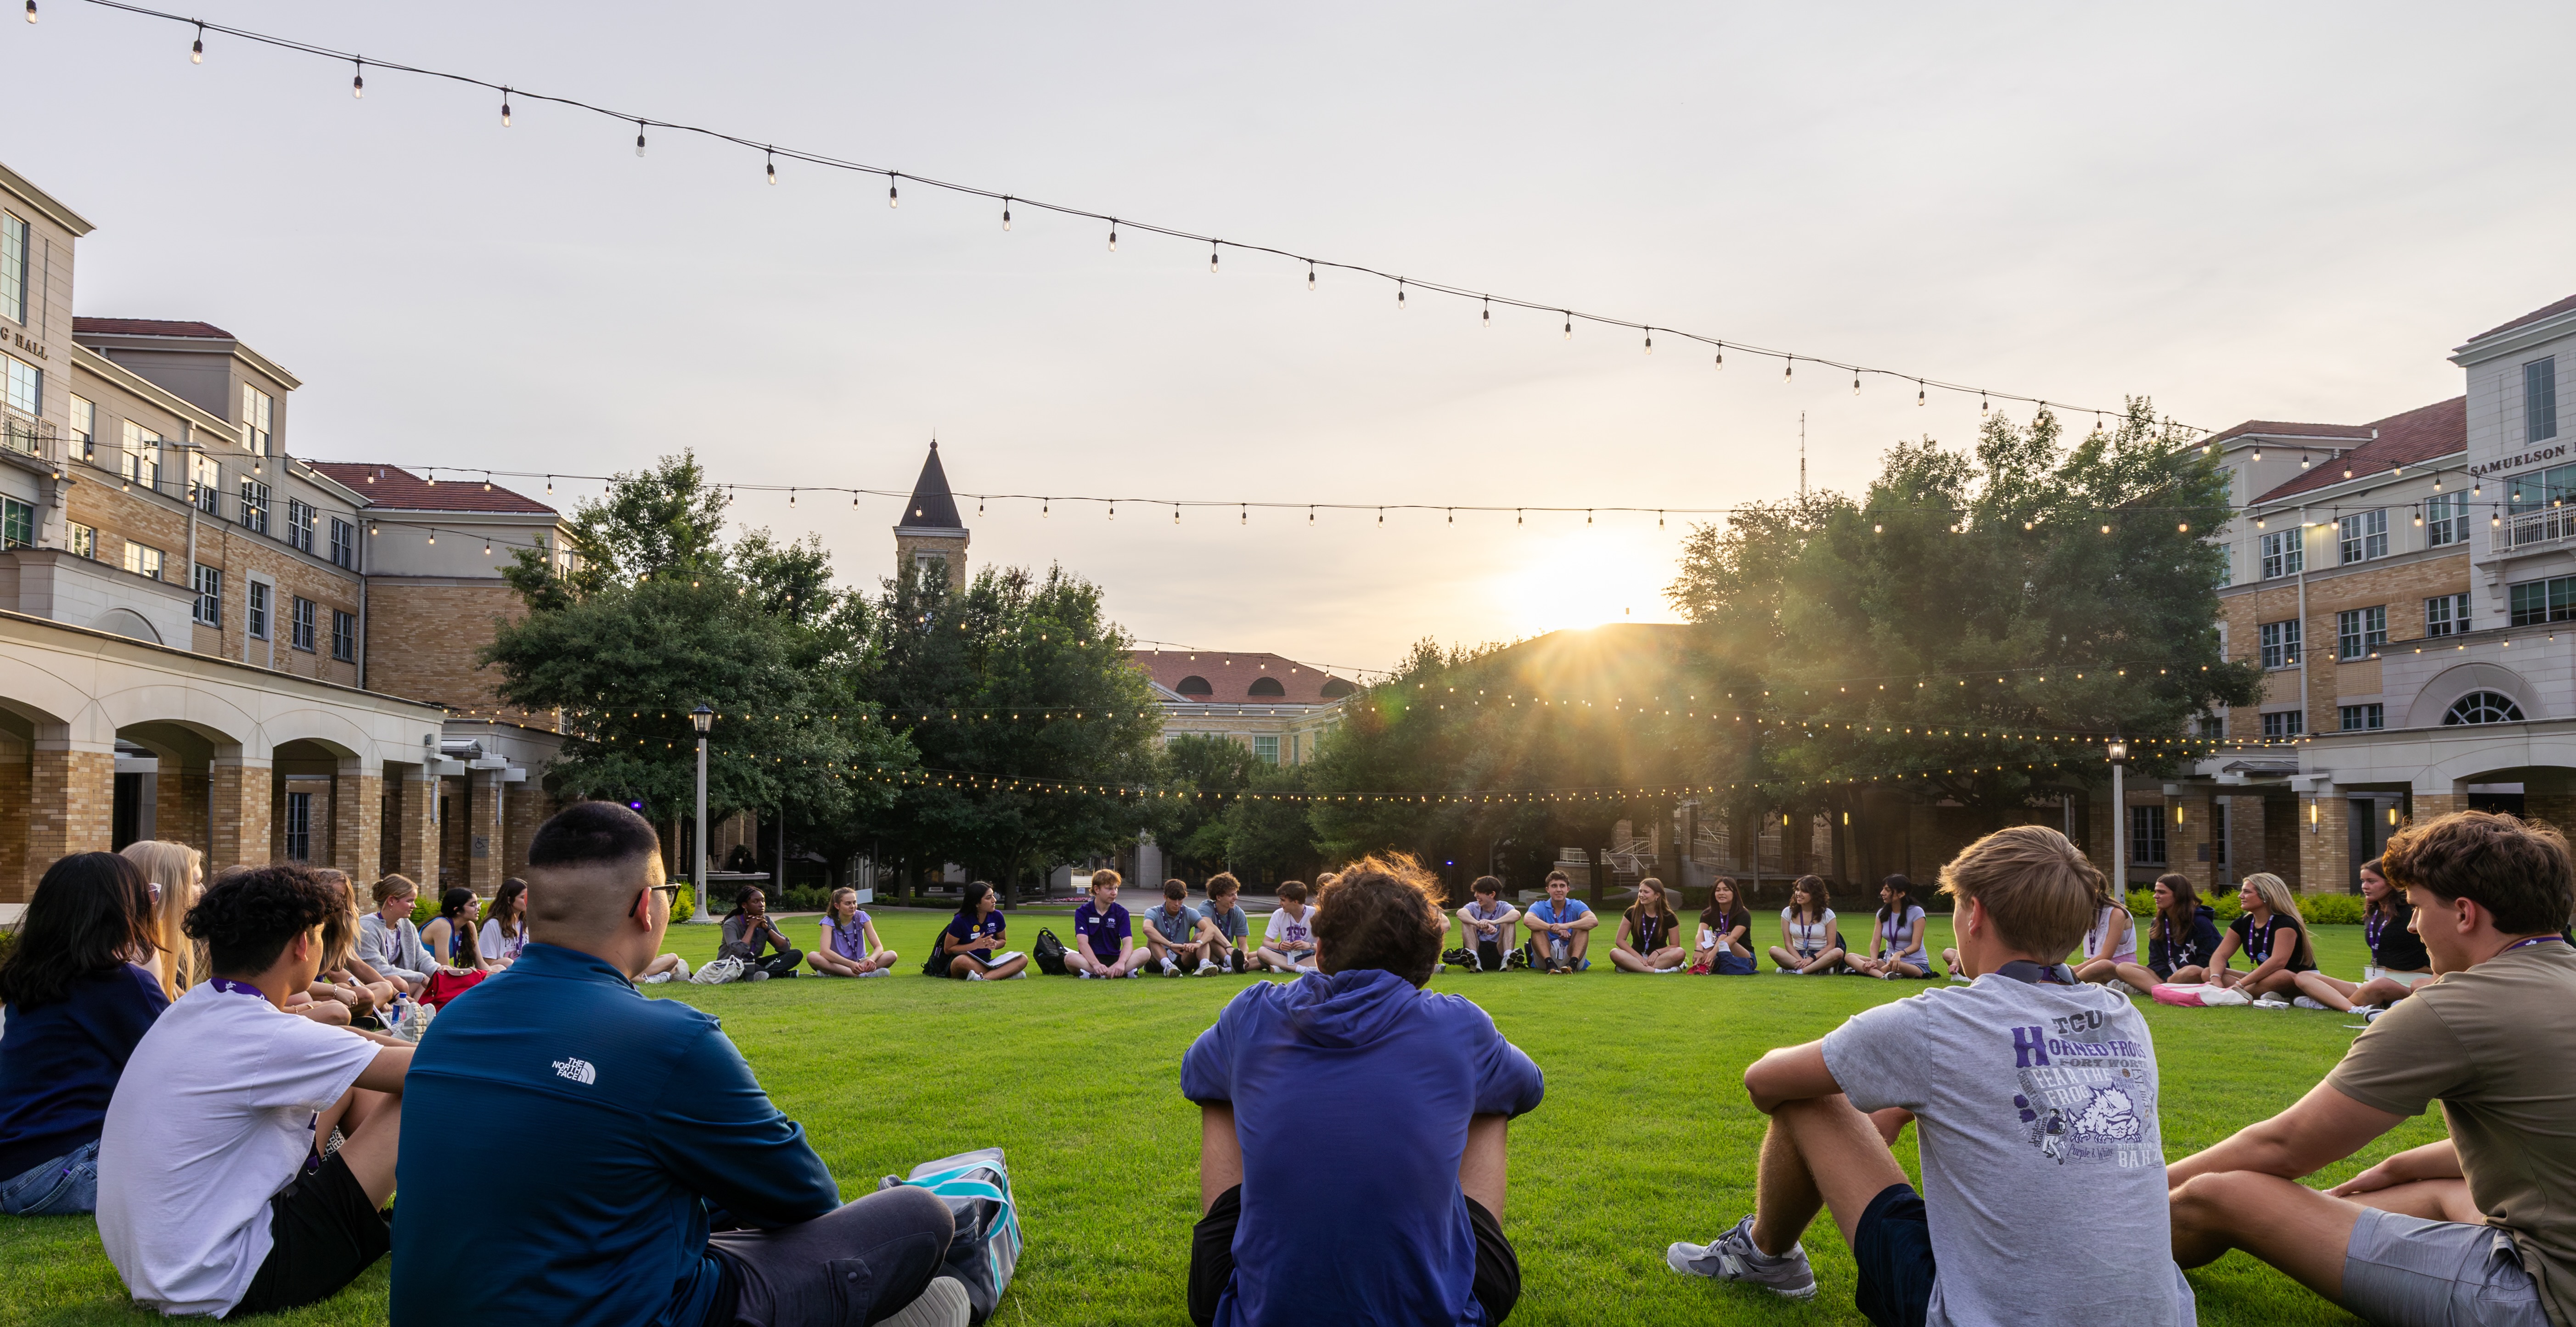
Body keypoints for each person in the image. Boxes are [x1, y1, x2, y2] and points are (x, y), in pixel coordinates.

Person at [389, 800, 969, 1327]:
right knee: (917, 1216)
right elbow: (806, 1199)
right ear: (647, 905)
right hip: (640, 1309)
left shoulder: (454, 1023)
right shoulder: (667, 1039)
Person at [1664, 825, 2193, 1327]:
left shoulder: (1939, 1022)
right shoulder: (2124, 1017)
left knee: (1812, 1095)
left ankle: (1764, 1254)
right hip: (2156, 1314)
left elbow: (1764, 1080)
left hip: (1982, 1316)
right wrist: (1902, 1101)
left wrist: (1880, 1101)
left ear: (1975, 915)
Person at [2165, 810, 2576, 1327]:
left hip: (2546, 1297)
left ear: (2465, 914)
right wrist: (2394, 1166)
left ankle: (2112, 1243)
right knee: (2432, 1191)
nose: (2412, 924)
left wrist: (2139, 1190)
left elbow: (2282, 1145)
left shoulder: (2454, 1008)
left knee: (2219, 1190)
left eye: (2418, 907)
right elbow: (2544, 1131)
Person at [1183, 855, 1545, 1326]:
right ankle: (1439, 1266)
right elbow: (1528, 1086)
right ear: (1429, 960)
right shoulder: (1460, 1024)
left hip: (1255, 1315)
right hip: (1439, 1315)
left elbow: (1196, 1075)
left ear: (1322, 949)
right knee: (1493, 1095)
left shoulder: (1253, 1010)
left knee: (1220, 1086)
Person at [97, 863, 413, 1317]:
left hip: (162, 1267)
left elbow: (341, 1046)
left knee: (356, 1084)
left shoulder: (199, 1008)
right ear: (303, 944)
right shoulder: (267, 1037)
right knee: (418, 1093)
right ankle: (441, 1219)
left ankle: (413, 1215)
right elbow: (431, 1068)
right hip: (226, 1278)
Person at [0, 853, 169, 1216]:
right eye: (148, 897)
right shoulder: (119, 983)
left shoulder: (33, 979)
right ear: (124, 912)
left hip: (14, 1170)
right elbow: (184, 1068)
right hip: (64, 1169)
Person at [2290, 858, 2434, 1015]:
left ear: (2392, 882)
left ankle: (2331, 1003)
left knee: (2379, 985)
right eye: (2363, 881)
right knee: (2304, 977)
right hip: (2372, 981)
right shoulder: (2374, 912)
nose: (2365, 887)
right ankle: (2353, 1007)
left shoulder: (2412, 911)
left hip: (2409, 982)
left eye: (2372, 881)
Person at [2177, 873, 2315, 1004]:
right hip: (2264, 978)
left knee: (2282, 976)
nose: (2240, 896)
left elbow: (2278, 962)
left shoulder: (2285, 923)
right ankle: (2260, 995)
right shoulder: (2244, 922)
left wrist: (2240, 984)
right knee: (2209, 972)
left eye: (2247, 892)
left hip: (2298, 979)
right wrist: (2216, 979)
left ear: (2266, 895)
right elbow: (2220, 955)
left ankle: (2232, 995)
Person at [2108, 874, 2221, 996]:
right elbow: (2156, 962)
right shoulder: (2159, 922)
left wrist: (2176, 978)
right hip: (2167, 978)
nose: (2155, 896)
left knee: (2192, 971)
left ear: (2178, 895)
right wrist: (2169, 978)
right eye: (2155, 892)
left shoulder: (2201, 922)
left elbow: (2210, 961)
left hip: (2195, 977)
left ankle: (2157, 990)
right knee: (2123, 967)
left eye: (2161, 892)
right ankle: (2165, 992)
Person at [121, 840, 203, 1000]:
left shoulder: (134, 944)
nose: (203, 890)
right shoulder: (141, 953)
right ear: (167, 888)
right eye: (197, 882)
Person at [358, 875, 432, 998]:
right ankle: (410, 1012)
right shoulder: (367, 927)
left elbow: (421, 958)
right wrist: (421, 977)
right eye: (409, 901)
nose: (414, 906)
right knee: (400, 982)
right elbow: (377, 969)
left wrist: (440, 971)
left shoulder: (406, 925)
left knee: (431, 980)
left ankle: (419, 1012)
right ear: (391, 901)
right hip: (371, 986)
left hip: (401, 984)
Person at [1846, 875, 1933, 980]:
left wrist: (1898, 955)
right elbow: (1876, 941)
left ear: (1901, 894)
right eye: (1883, 889)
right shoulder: (1882, 914)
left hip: (1915, 964)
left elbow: (1916, 945)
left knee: (1896, 965)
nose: (1882, 893)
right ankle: (1884, 976)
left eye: (1887, 890)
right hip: (1887, 961)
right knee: (1850, 957)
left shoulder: (1917, 912)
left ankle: (1870, 972)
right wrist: (1873, 961)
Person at [1068, 870, 1147, 978]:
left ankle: (1099, 975)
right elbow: (1082, 943)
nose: (1114, 893)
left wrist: (1121, 963)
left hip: (1115, 959)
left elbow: (1128, 943)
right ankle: (1117, 974)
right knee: (1070, 958)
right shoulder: (1083, 912)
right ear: (1097, 889)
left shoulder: (1122, 913)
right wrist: (1096, 964)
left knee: (1145, 952)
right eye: (1109, 889)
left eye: (1116, 888)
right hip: (1090, 960)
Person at [942, 882, 1029, 980]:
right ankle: (1002, 975)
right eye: (989, 898)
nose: (994, 900)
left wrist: (995, 944)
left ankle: (983, 978)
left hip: (988, 963)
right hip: (968, 962)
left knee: (1022, 959)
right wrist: (974, 945)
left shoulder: (997, 916)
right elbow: (948, 949)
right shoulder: (961, 920)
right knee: (960, 961)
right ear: (976, 903)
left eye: (993, 896)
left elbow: (1003, 941)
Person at [720, 886, 804, 981]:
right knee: (754, 968)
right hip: (733, 964)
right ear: (744, 905)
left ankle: (766, 974)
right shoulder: (731, 924)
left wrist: (767, 928)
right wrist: (752, 927)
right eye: (756, 902)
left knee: (796, 954)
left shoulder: (766, 920)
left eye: (763, 901)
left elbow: (785, 948)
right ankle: (777, 974)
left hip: (755, 962)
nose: (762, 905)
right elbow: (740, 951)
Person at [1521, 871, 1598, 974]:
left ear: (1568, 889)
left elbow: (1593, 921)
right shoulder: (1540, 906)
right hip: (1547, 956)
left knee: (1582, 928)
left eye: (1562, 886)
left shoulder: (1576, 905)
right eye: (1554, 886)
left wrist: (1566, 926)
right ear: (1548, 890)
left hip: (1571, 953)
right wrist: (1553, 928)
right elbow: (1528, 920)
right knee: (1537, 928)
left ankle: (1572, 966)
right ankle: (1550, 965)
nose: (1558, 890)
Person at [809, 887, 898, 977]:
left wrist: (871, 959)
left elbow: (878, 947)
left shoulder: (862, 916)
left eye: (854, 902)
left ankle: (836, 973)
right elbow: (825, 952)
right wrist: (850, 964)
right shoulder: (828, 921)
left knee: (892, 955)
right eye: (848, 904)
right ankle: (860, 975)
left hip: (860, 962)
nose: (853, 906)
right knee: (812, 957)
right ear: (837, 906)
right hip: (836, 962)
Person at [1143, 879, 1224, 976]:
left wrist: (1198, 944)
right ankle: (1168, 966)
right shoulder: (1153, 912)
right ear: (1165, 897)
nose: (1177, 904)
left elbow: (1210, 930)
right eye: (1173, 899)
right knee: (1152, 937)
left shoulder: (1190, 912)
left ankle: (1204, 965)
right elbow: (1147, 928)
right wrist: (1170, 945)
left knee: (1201, 935)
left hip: (1182, 957)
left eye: (1180, 899)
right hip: (1158, 960)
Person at [1611, 877, 1689, 973]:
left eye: (1646, 892)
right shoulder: (1632, 912)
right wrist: (1638, 957)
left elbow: (1675, 945)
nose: (1641, 895)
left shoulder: (1669, 916)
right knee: (1615, 953)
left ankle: (1632, 968)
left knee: (1680, 953)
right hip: (1636, 956)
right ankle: (1658, 971)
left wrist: (1657, 952)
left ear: (1657, 895)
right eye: (1640, 891)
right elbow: (1620, 940)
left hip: (1659, 958)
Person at [1770, 876, 1845, 975]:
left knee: (1838, 952)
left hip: (1820, 956)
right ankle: (1816, 970)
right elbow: (1788, 943)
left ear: (1815, 894)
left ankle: (1799, 972)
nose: (1798, 894)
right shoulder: (1788, 912)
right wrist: (1801, 961)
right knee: (1774, 950)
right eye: (1797, 890)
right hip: (1797, 955)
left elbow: (1831, 945)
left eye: (1804, 891)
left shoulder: (1828, 914)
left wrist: (1812, 958)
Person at [2070, 883, 2138, 988]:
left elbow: (2106, 956)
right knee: (2058, 966)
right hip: (2095, 967)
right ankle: (2066, 979)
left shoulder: (2117, 913)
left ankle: (2064, 981)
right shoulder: (2090, 913)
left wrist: (2071, 971)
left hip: (2118, 969)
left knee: (2103, 965)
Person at [1452, 876, 1520, 973]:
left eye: (1479, 892)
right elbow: (1460, 913)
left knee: (1509, 921)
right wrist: (1478, 924)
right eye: (1475, 892)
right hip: (1479, 949)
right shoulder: (1473, 906)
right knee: (1467, 922)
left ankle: (1508, 957)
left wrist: (1494, 922)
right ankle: (1474, 959)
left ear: (1492, 894)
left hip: (1498, 950)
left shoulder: (1503, 906)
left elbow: (1516, 915)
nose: (1476, 895)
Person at [1255, 880, 1322, 973]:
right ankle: (1300, 969)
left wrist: (1309, 945)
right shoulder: (1278, 914)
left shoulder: (1315, 914)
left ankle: (1283, 968)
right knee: (1262, 951)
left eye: (1283, 900)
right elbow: (1266, 943)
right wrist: (1280, 946)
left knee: (1325, 957)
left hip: (1309, 955)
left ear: (1295, 901)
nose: (1280, 903)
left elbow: (1324, 946)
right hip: (1286, 955)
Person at [1694, 878, 1756, 975]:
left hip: (1743, 955)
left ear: (1734, 893)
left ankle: (1708, 965)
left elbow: (1733, 938)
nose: (1721, 893)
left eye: (1726, 890)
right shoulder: (1708, 913)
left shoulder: (1743, 914)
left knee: (1723, 937)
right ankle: (1703, 965)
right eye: (1718, 890)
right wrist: (1699, 949)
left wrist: (1714, 952)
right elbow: (1700, 933)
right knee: (1710, 938)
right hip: (1720, 952)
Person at [420, 886, 490, 972]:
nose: (478, 908)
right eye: (473, 905)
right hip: (424, 975)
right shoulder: (442, 925)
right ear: (458, 911)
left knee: (499, 968)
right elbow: (444, 967)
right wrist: (474, 975)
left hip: (439, 973)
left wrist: (493, 978)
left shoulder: (469, 926)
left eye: (477, 903)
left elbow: (480, 963)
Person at [1200, 873, 1254, 973]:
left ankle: (1231, 967)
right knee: (1209, 935)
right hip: (1208, 954)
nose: (1236, 898)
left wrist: (1243, 957)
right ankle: (1231, 963)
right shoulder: (1206, 907)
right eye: (1231, 895)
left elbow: (1243, 944)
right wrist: (1229, 946)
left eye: (1236, 893)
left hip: (1226, 954)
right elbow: (1209, 927)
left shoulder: (1238, 913)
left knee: (1261, 954)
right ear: (1219, 897)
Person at [477, 877, 531, 966]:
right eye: (522, 897)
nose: (527, 901)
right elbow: (487, 963)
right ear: (509, 900)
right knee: (507, 962)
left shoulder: (528, 922)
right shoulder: (493, 924)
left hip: (525, 973)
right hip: (503, 974)